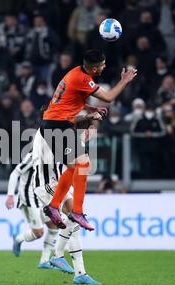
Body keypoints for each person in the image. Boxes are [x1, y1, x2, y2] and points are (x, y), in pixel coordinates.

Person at [40, 49, 137, 231]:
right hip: (58, 125)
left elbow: (70, 99)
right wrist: (124, 80)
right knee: (83, 164)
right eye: (102, 65)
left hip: (54, 123)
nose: (105, 66)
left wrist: (90, 109)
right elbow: (108, 97)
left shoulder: (76, 72)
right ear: (94, 69)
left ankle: (54, 207)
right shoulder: (82, 79)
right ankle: (77, 211)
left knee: (72, 166)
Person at [32, 116, 102, 285]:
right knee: (74, 219)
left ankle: (78, 272)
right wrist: (84, 138)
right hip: (46, 184)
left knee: (74, 221)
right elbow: (73, 164)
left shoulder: (54, 132)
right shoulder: (47, 133)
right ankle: (60, 257)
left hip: (56, 183)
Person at [5, 151, 59, 269]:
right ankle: (18, 239)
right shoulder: (34, 155)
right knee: (39, 233)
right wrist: (10, 195)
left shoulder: (56, 156)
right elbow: (15, 173)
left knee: (54, 225)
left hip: (44, 198)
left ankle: (44, 261)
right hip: (29, 198)